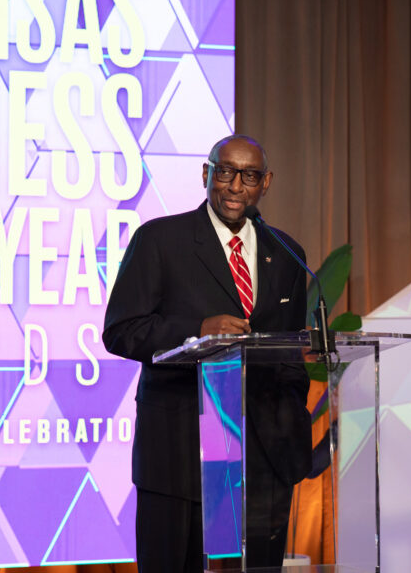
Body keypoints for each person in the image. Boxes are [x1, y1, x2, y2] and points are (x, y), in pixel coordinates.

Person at [103, 135, 312, 572]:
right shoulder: (160, 240)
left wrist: (289, 417)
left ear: (266, 183)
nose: (236, 186)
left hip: (262, 457)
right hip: (181, 451)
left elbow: (288, 350)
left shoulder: (287, 253)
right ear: (206, 174)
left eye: (249, 176)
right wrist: (197, 331)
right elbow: (122, 330)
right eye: (226, 171)